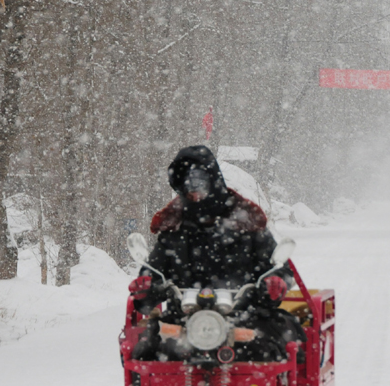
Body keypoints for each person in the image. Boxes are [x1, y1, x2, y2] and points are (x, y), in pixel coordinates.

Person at [128, 145, 304, 361]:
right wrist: (145, 288)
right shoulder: (172, 227)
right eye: (186, 184)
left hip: (246, 318)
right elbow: (153, 273)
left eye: (200, 182)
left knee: (280, 350)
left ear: (214, 180)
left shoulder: (246, 220)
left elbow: (280, 268)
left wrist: (275, 283)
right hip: (182, 322)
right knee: (142, 356)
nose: (194, 191)